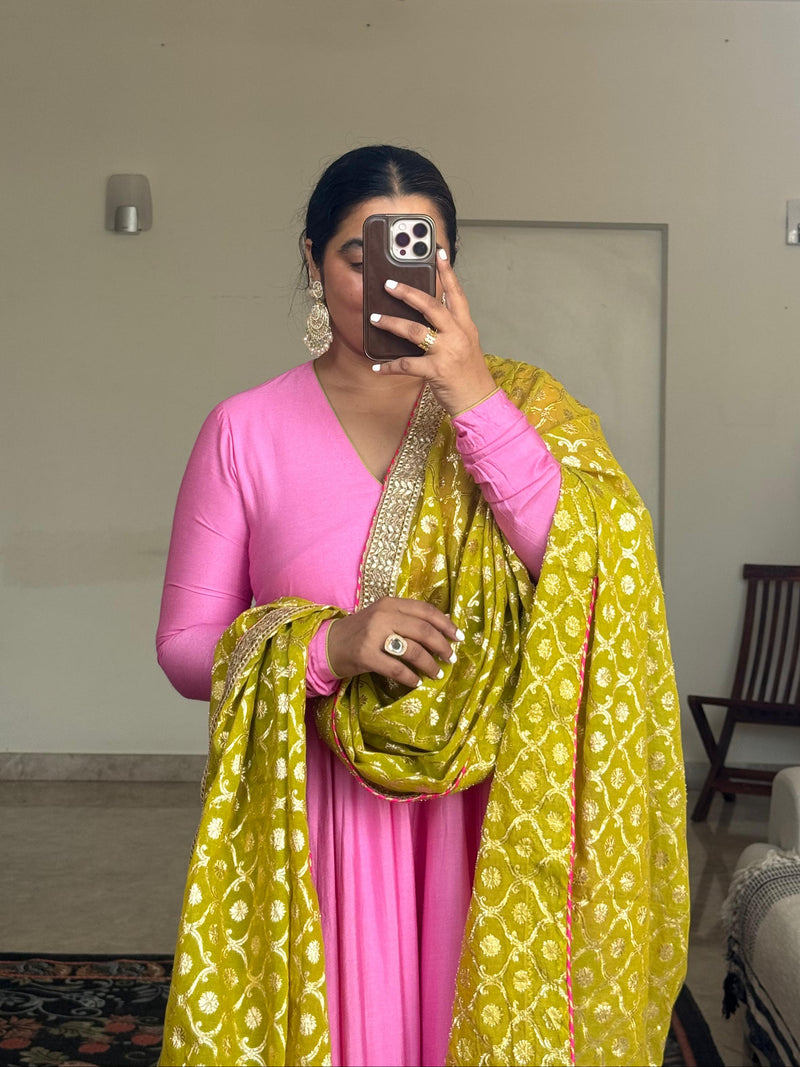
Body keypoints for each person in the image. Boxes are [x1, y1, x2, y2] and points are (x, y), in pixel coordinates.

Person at [156, 145, 688, 1067]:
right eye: (358, 255)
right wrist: (328, 646)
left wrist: (472, 395)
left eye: (419, 251)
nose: (388, 280)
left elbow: (594, 573)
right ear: (312, 259)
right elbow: (183, 646)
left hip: (487, 813)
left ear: (450, 264)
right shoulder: (245, 428)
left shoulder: (525, 409)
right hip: (322, 813)